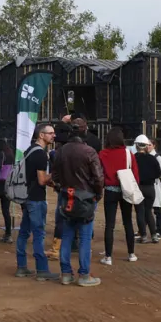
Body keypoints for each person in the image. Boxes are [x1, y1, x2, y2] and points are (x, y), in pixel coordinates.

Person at [51, 117, 103, 287]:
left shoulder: (61, 151)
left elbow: (55, 176)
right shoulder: (89, 152)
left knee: (67, 235)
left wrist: (61, 189)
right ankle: (83, 274)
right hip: (86, 198)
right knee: (85, 237)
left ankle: (66, 274)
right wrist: (97, 195)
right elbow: (98, 178)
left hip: (67, 196)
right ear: (85, 130)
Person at [15, 123, 55, 281]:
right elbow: (41, 180)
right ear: (41, 135)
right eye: (50, 133)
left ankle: (22, 267)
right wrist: (55, 174)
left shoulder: (29, 151)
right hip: (36, 199)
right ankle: (42, 269)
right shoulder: (40, 155)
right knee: (38, 233)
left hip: (26, 197)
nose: (53, 135)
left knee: (24, 232)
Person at [97, 127, 139, 266]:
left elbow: (99, 174)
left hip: (110, 190)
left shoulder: (102, 154)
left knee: (110, 224)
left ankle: (108, 256)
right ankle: (131, 253)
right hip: (126, 190)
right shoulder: (128, 153)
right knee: (128, 221)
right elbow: (135, 174)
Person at [133, 135, 160, 245]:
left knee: (140, 211)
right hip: (150, 188)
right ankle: (154, 235)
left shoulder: (133, 158)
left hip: (138, 187)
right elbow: (158, 173)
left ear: (136, 145)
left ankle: (143, 235)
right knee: (148, 211)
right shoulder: (152, 158)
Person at [151, 141, 161, 240]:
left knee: (157, 209)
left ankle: (159, 230)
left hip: (155, 185)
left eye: (149, 145)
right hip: (148, 185)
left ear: (154, 145)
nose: (147, 147)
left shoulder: (157, 157)